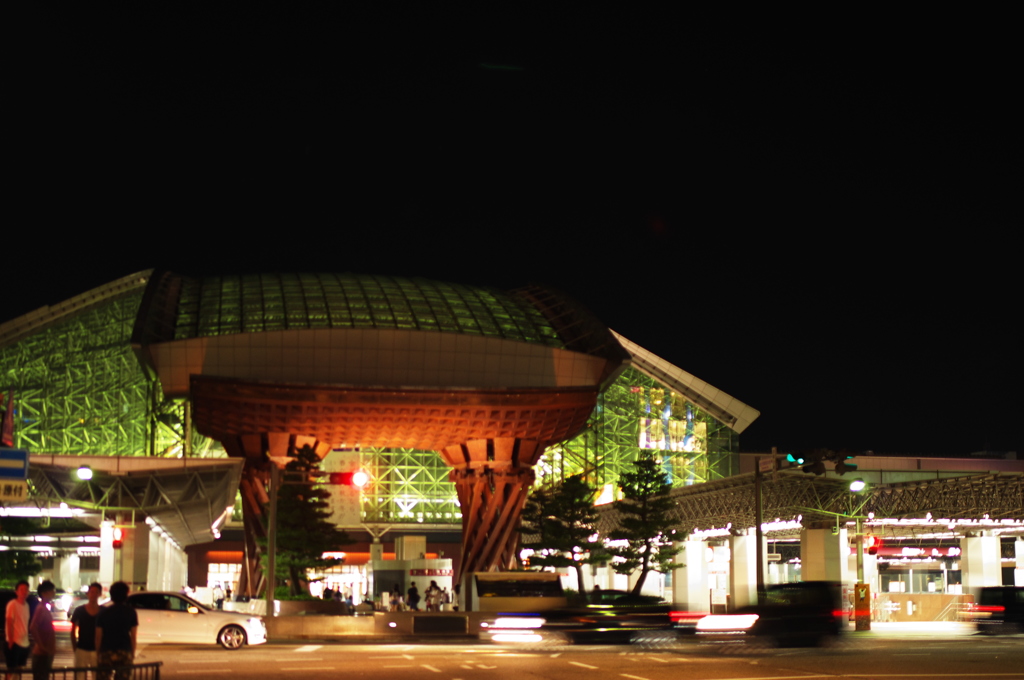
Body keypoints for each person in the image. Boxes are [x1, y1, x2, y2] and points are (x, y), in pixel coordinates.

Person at [95, 581, 137, 680]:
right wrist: (132, 653)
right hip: (124, 650)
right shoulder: (131, 612)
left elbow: (98, 636)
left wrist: (98, 653)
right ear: (125, 595)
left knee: (103, 677)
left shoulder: (103, 612)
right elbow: (133, 636)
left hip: (106, 651)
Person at [71, 582, 103, 678]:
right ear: (88, 593)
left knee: (98, 677)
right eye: (91, 592)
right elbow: (73, 630)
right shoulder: (79, 611)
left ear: (100, 594)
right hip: (81, 648)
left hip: (97, 650)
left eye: (96, 592)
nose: (93, 594)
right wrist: (75, 648)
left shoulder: (104, 611)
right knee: (79, 676)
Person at [29, 581, 56, 680]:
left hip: (45, 654)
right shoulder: (41, 609)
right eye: (52, 591)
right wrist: (42, 646)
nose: (54, 593)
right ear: (45, 593)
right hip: (42, 655)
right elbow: (33, 627)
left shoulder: (44, 608)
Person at [4, 580, 30, 680]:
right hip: (14, 643)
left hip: (25, 643)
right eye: (21, 589)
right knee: (11, 672)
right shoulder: (12, 604)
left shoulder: (27, 605)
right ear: (17, 592)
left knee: (19, 671)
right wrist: (10, 641)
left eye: (26, 589)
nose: (24, 592)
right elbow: (9, 622)